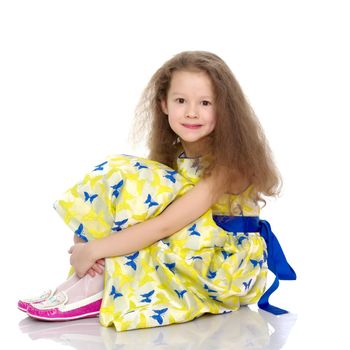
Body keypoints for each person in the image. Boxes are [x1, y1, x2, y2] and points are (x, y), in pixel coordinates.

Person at [18, 51, 296, 331]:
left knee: (130, 179)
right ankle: (94, 278)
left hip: (226, 271)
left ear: (225, 108)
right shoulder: (174, 157)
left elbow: (164, 226)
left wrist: (94, 248)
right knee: (121, 175)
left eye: (205, 103)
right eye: (180, 101)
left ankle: (98, 283)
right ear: (163, 104)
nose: (191, 112)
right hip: (193, 251)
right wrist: (85, 248)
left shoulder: (229, 165)